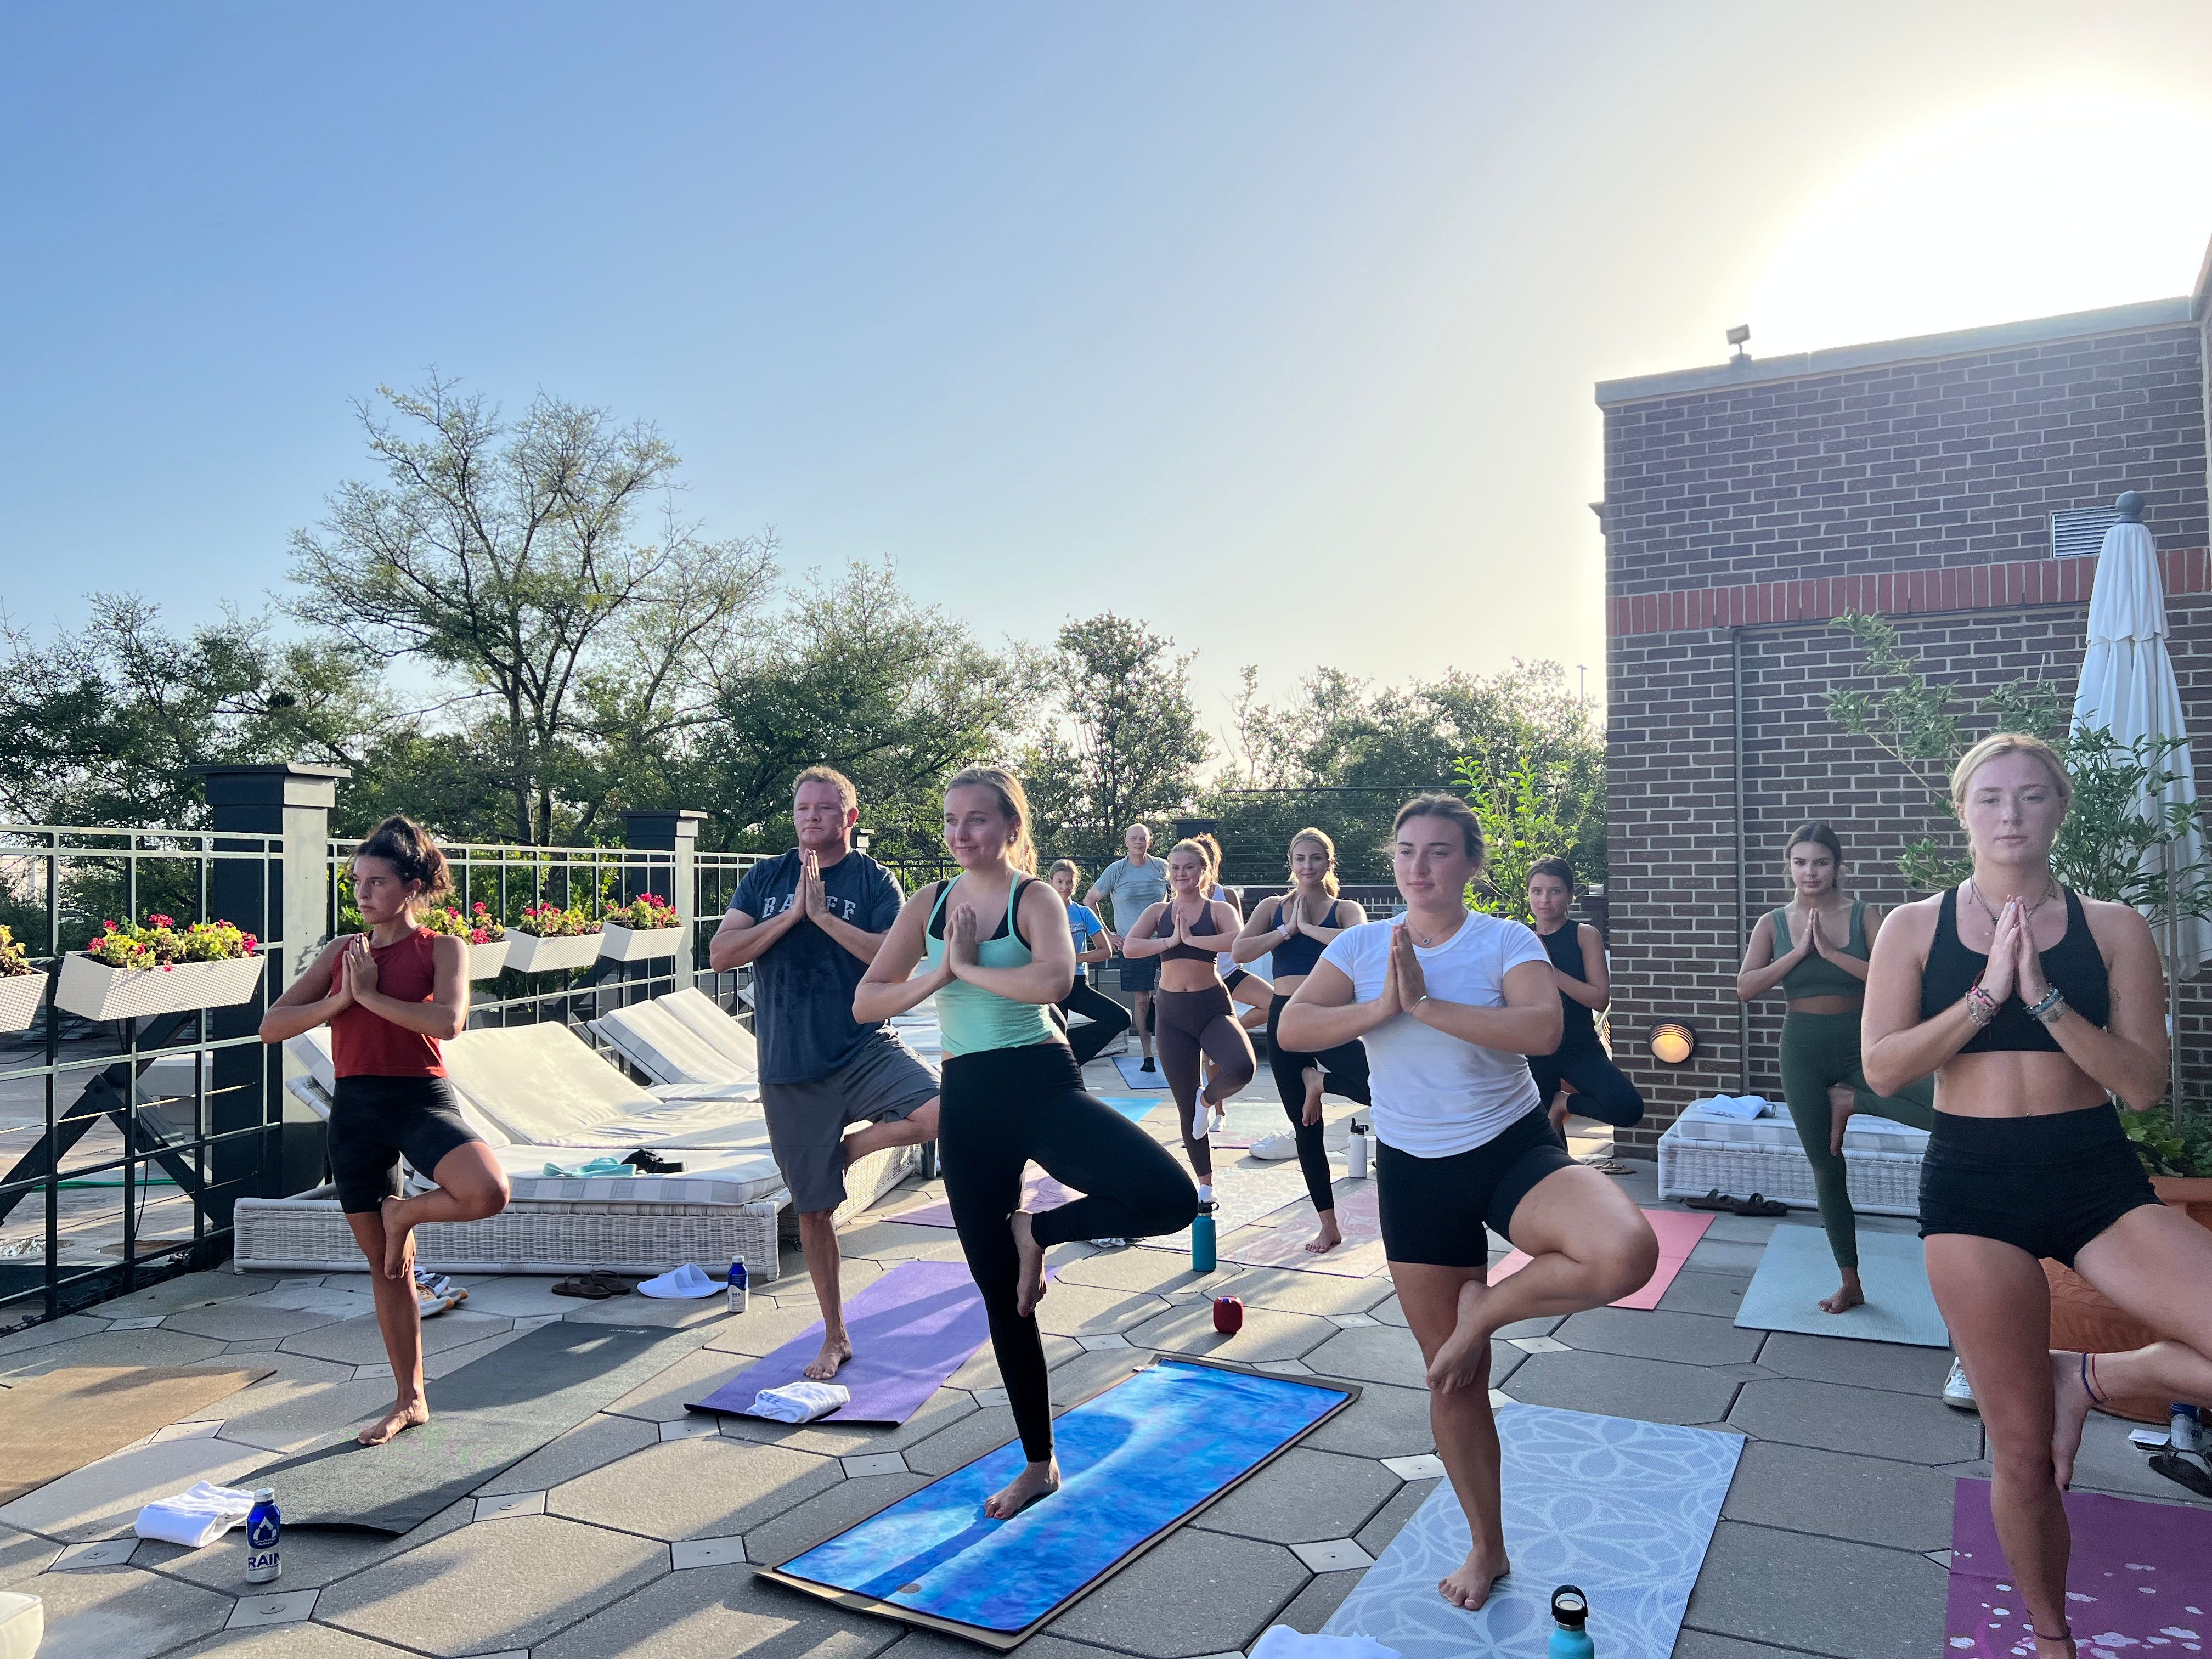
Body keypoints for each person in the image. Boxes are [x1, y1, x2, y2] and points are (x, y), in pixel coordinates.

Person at [1861, 733, 2211, 1659]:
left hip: (2090, 1167)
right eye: (1989, 797)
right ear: (1962, 811)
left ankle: (2093, 1375)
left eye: (2028, 796)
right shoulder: (1910, 926)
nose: (2008, 813)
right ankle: (2052, 1640)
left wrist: (2046, 998)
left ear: (2057, 807)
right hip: (1972, 1179)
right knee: (2017, 1450)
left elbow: (2140, 1084)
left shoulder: (2112, 926)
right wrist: (1983, 997)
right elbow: (1884, 1064)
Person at [1280, 794, 1657, 1612]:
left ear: (1472, 864)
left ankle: (1484, 1310)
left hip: (1509, 1150)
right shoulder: (1359, 944)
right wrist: (1381, 1007)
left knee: (1625, 1251)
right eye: (1408, 850)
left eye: (1441, 852)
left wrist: (1423, 1007)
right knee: (1452, 1383)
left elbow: (1542, 1029)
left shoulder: (1503, 939)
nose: (1421, 866)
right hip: (1415, 1172)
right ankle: (1487, 1549)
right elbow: (1294, 1029)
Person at [856, 766, 1195, 1517]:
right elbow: (867, 1000)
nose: (960, 833)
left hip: (1041, 1085)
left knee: (1169, 1197)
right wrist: (941, 971)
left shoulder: (1033, 897)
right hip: (970, 1101)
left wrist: (970, 965)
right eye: (950, 820)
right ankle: (1039, 1463)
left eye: (977, 820)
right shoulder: (930, 904)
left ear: (1011, 827)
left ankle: (1037, 1230)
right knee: (1002, 1297)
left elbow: (1052, 980)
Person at [259, 816, 510, 1447]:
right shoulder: (345, 953)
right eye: (357, 882)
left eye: (377, 881)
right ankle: (410, 1399)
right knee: (387, 1269)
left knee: (487, 1192)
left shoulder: (444, 948)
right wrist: (341, 1000)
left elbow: (448, 1022)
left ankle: (405, 1214)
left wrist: (368, 998)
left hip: (419, 1097)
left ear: (414, 884)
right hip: (357, 1109)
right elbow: (273, 1025)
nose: (364, 893)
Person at [709, 767, 940, 1381]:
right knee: (814, 1211)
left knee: (938, 1111)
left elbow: (897, 955)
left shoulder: (872, 879)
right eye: (802, 808)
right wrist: (789, 917)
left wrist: (825, 918)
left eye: (824, 809)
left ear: (849, 818)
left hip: (863, 1046)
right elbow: (721, 953)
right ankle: (835, 1336)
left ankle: (847, 1149)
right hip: (789, 1066)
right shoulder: (767, 876)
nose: (811, 818)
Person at [1736, 821, 1934, 1317]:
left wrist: (1829, 954)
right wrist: (1799, 954)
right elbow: (1746, 987)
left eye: (1821, 862)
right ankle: (1851, 1282)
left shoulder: (1868, 916)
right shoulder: (1772, 922)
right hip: (1802, 1047)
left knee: (1943, 1109)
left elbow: (1898, 980)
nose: (1810, 872)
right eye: (1801, 862)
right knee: (1827, 1166)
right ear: (1790, 866)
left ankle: (1853, 1102)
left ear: (1838, 867)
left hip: (1861, 1042)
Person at [1236, 827, 1370, 1254]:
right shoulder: (1273, 907)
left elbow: (1360, 943)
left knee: (1381, 1089)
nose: (1307, 866)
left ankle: (1323, 1083)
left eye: (1316, 858)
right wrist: (1285, 932)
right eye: (1300, 859)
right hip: (1284, 1017)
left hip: (1328, 1016)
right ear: (1291, 863)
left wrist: (1308, 928)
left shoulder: (1344, 908)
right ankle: (1328, 1225)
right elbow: (1239, 950)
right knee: (1305, 1127)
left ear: (1329, 863)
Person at [1121, 837, 1255, 1192]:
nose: (1181, 873)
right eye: (1175, 868)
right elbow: (1132, 947)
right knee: (1185, 1104)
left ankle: (1208, 1099)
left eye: (1189, 867)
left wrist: (1192, 940)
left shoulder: (1217, 909)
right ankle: (1206, 1186)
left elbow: (1236, 943)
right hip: (1171, 1013)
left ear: (1203, 871)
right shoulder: (1158, 913)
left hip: (1211, 1006)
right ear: (1169, 873)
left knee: (1242, 1067)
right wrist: (1169, 942)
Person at [1523, 856, 1644, 1143]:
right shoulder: (1517, 937)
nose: (1544, 900)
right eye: (1537, 891)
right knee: (1541, 1141)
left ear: (1570, 895)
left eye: (1555, 891)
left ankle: (1563, 1103)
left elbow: (1600, 999)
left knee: (1627, 1107)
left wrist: (1549, 969)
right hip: (1532, 1049)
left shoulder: (1584, 935)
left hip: (1579, 1046)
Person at [1085, 825, 1170, 1072]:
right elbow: (1090, 900)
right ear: (1126, 842)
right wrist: (1108, 934)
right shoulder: (1117, 870)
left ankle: (1170, 1047)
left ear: (1149, 842)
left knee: (1171, 995)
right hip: (1133, 944)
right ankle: (1148, 1055)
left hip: (1165, 941)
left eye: (1143, 838)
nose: (1138, 842)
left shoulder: (1162, 867)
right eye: (1134, 838)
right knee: (1141, 1000)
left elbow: (1179, 896)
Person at [1047, 859, 1130, 1066]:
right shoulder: (1041, 912)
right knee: (1053, 1036)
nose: (1065, 887)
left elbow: (1106, 951)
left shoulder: (1084, 913)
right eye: (1060, 882)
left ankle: (1072, 1054)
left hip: (1077, 983)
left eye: (1069, 882)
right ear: (1050, 882)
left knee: (1121, 1018)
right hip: (1050, 984)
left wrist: (1073, 958)